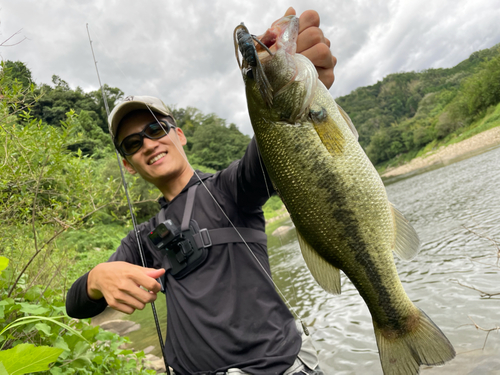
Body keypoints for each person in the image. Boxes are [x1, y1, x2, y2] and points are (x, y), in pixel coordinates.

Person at [66, 7, 337, 375]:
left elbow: (275, 144)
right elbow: (76, 305)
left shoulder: (230, 188)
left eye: (156, 129)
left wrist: (287, 81)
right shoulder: (142, 239)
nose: (147, 143)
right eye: (131, 143)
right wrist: (97, 278)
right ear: (128, 164)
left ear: (179, 134)